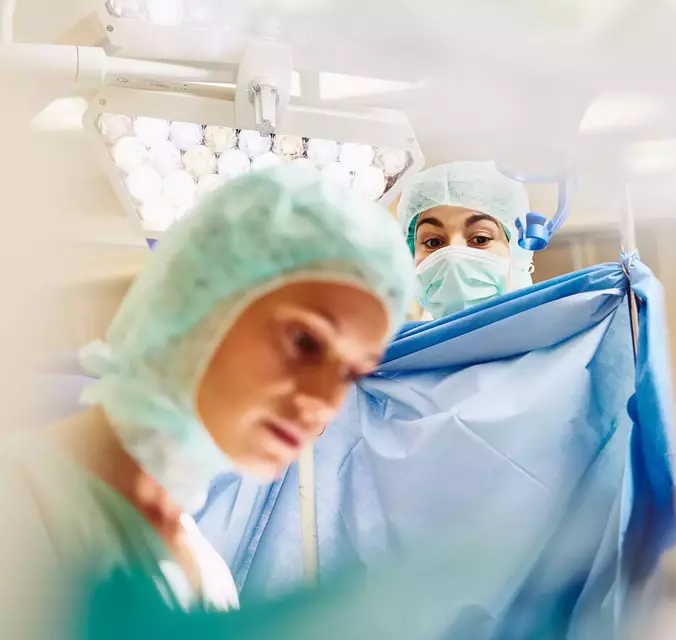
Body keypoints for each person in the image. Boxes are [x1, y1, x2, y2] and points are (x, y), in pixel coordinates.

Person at [1, 166, 414, 621]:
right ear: (196, 298)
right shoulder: (21, 506)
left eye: (350, 375)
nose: (324, 403)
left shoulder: (207, 574)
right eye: (306, 342)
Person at [396, 160, 535, 319]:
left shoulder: (552, 332)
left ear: (518, 254)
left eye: (480, 239)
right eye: (433, 242)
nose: (453, 257)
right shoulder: (402, 343)